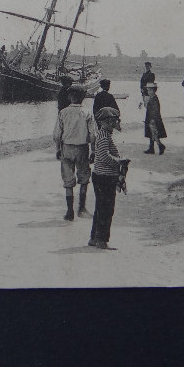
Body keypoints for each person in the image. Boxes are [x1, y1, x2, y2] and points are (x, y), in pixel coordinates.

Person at [53, 85, 96, 221]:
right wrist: (93, 150)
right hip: (82, 148)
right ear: (82, 98)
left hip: (67, 148)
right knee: (84, 179)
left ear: (70, 97)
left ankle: (69, 211)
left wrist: (58, 149)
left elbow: (56, 134)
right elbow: (93, 135)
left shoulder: (63, 112)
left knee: (68, 180)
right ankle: (81, 208)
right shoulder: (87, 112)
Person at [88, 106, 125, 249]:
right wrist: (118, 162)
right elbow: (103, 156)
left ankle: (94, 238)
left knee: (100, 207)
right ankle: (101, 240)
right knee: (107, 209)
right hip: (105, 177)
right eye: (114, 121)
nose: (116, 124)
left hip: (101, 176)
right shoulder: (104, 136)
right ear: (107, 122)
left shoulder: (103, 134)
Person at [142, 83, 167, 155]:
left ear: (154, 91)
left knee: (154, 133)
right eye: (148, 90)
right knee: (152, 133)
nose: (149, 92)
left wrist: (153, 119)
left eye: (150, 90)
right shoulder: (152, 98)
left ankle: (160, 146)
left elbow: (155, 110)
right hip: (151, 118)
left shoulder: (155, 99)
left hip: (153, 119)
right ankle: (152, 148)